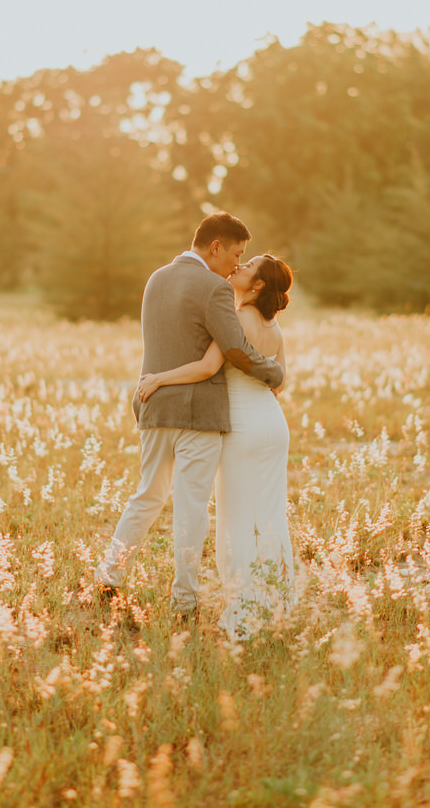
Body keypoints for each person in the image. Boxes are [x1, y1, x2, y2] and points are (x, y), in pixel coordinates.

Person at [94, 212, 285, 619]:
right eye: (235, 254)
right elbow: (234, 349)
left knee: (147, 495)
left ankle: (109, 575)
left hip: (154, 404)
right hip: (198, 413)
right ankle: (184, 600)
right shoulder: (215, 288)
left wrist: (157, 383)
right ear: (215, 247)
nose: (236, 264)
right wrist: (274, 373)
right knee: (192, 506)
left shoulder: (156, 279)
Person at [137, 253, 295, 639]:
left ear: (257, 286)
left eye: (250, 265)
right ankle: (277, 603)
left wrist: (158, 378)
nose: (240, 266)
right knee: (270, 513)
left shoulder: (237, 318)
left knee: (237, 515)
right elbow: (280, 382)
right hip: (272, 423)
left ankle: (246, 612)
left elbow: (208, 368)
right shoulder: (275, 328)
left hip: (242, 426)